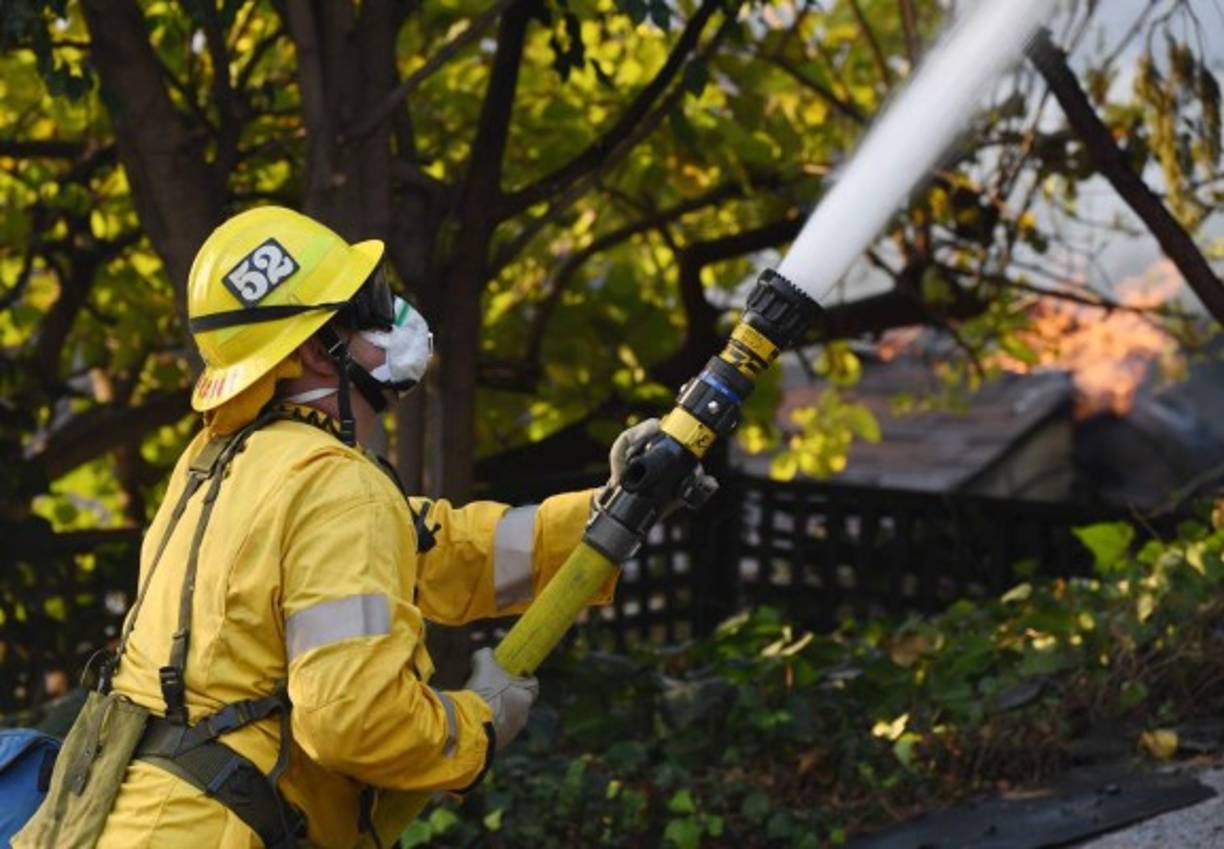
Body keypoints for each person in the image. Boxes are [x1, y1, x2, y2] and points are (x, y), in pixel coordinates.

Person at [17, 206, 671, 849]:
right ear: (313, 350)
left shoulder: (222, 464)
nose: (390, 319)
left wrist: (607, 511)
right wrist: (479, 724)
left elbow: (438, 547)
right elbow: (353, 719)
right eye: (364, 307)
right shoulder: (335, 486)